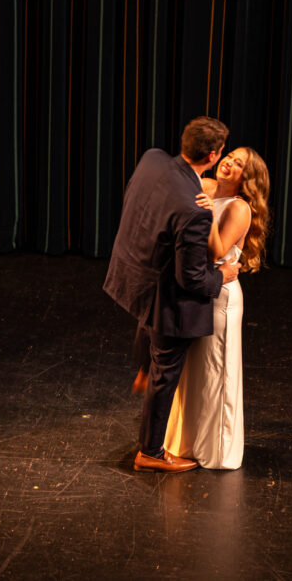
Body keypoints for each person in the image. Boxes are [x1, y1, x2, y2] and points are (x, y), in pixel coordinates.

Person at [104, 116, 240, 473]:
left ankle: (143, 369)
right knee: (167, 369)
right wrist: (222, 274)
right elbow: (193, 278)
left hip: (137, 273)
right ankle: (150, 452)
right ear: (213, 155)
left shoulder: (152, 159)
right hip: (166, 297)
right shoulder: (194, 210)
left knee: (146, 326)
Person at [164, 147, 270, 469]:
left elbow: (217, 251)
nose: (229, 163)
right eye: (230, 157)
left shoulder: (239, 208)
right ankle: (188, 443)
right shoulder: (207, 187)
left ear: (246, 179)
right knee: (194, 373)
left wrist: (209, 215)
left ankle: (218, 452)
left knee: (216, 373)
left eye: (239, 165)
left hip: (221, 297)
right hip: (199, 294)